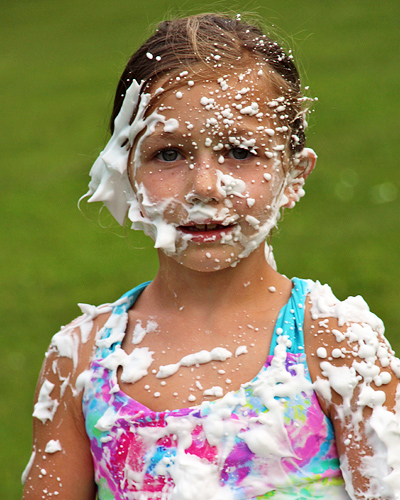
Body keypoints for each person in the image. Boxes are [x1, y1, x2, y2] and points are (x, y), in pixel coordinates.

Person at [22, 13, 400, 500]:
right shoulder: (81, 359)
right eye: (169, 154)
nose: (204, 187)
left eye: (240, 152)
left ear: (294, 175)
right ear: (125, 171)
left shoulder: (337, 345)